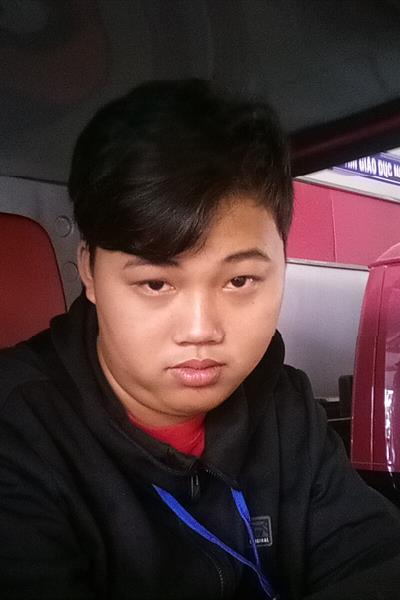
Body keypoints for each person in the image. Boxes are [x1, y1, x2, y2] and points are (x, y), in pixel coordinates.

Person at [1, 79, 400, 600]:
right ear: (91, 273)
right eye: (155, 284)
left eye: (240, 281)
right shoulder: (17, 432)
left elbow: (374, 560)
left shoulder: (283, 404)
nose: (200, 330)